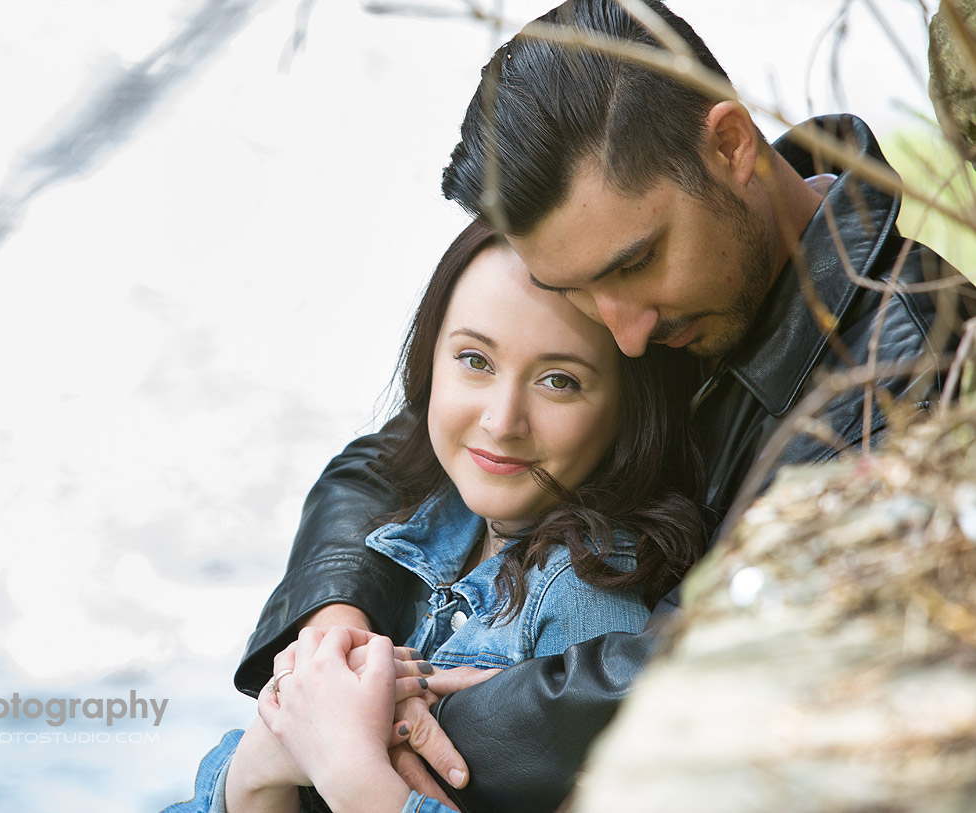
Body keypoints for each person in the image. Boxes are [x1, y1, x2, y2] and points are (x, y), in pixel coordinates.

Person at [235, 2, 976, 812]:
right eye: (573, 288)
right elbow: (401, 456)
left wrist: (372, 728)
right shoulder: (672, 289)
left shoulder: (909, 370)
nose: (622, 333)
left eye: (636, 263)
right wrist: (328, 639)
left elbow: (714, 667)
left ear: (730, 147)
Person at [166, 220, 708, 812]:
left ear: (629, 409)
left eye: (559, 380)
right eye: (475, 360)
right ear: (431, 361)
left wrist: (343, 767)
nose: (502, 421)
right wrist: (258, 766)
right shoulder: (419, 521)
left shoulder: (589, 587)